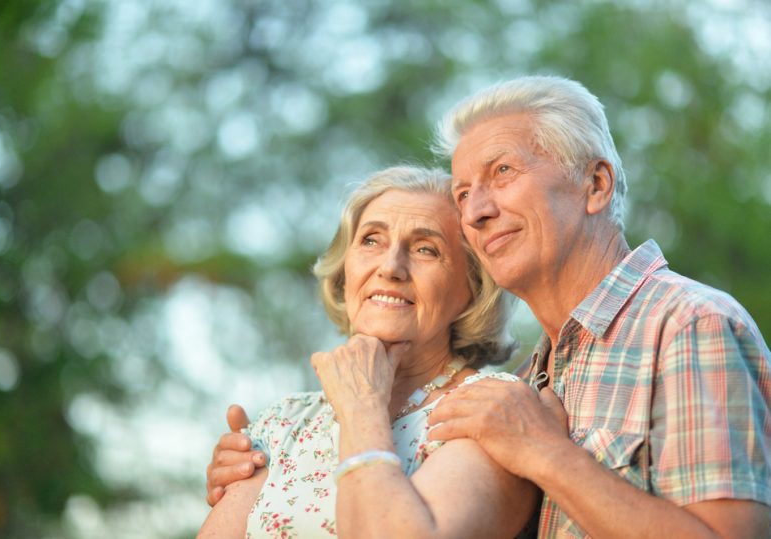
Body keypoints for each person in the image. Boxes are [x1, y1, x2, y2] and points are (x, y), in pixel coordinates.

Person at [205, 76, 771, 538]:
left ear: (595, 185)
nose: (476, 211)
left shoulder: (689, 325)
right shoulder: (538, 376)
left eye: (502, 172)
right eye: (461, 192)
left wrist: (546, 454)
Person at [197, 165, 538, 538]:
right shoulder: (285, 420)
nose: (390, 268)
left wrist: (362, 408)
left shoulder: (491, 410)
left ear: (473, 288)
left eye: (426, 249)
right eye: (371, 241)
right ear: (345, 272)